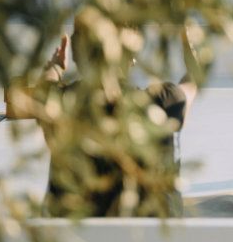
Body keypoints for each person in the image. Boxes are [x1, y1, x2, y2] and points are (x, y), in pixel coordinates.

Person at [40, 27, 199, 218]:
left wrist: (55, 68)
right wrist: (193, 63)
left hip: (75, 240)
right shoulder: (162, 103)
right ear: (131, 58)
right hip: (148, 241)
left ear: (76, 57)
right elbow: (191, 84)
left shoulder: (58, 104)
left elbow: (44, 89)